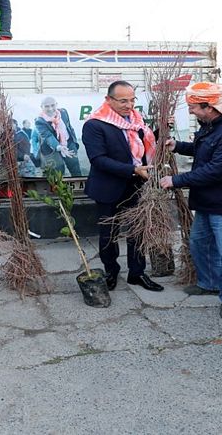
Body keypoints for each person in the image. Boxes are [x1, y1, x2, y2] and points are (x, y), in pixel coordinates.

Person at [160, 82, 222, 319]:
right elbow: (203, 150)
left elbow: (217, 169)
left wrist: (176, 180)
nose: (191, 111)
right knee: (200, 245)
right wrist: (178, 146)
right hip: (208, 202)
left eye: (194, 107)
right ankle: (210, 283)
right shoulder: (212, 125)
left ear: (210, 106)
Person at [81, 81, 163, 292]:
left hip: (135, 185)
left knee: (138, 231)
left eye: (132, 100)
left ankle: (137, 273)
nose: (129, 105)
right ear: (108, 100)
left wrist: (162, 130)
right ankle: (111, 271)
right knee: (109, 234)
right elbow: (99, 160)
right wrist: (133, 170)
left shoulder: (136, 120)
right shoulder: (95, 124)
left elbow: (143, 145)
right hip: (108, 187)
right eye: (123, 100)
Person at [35, 96, 82, 176]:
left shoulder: (63, 112)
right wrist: (59, 147)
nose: (50, 109)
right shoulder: (39, 121)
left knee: (76, 169)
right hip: (53, 149)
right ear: (41, 107)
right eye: (46, 106)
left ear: (56, 104)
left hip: (69, 144)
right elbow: (48, 136)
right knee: (58, 174)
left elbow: (69, 126)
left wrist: (73, 143)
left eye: (52, 105)